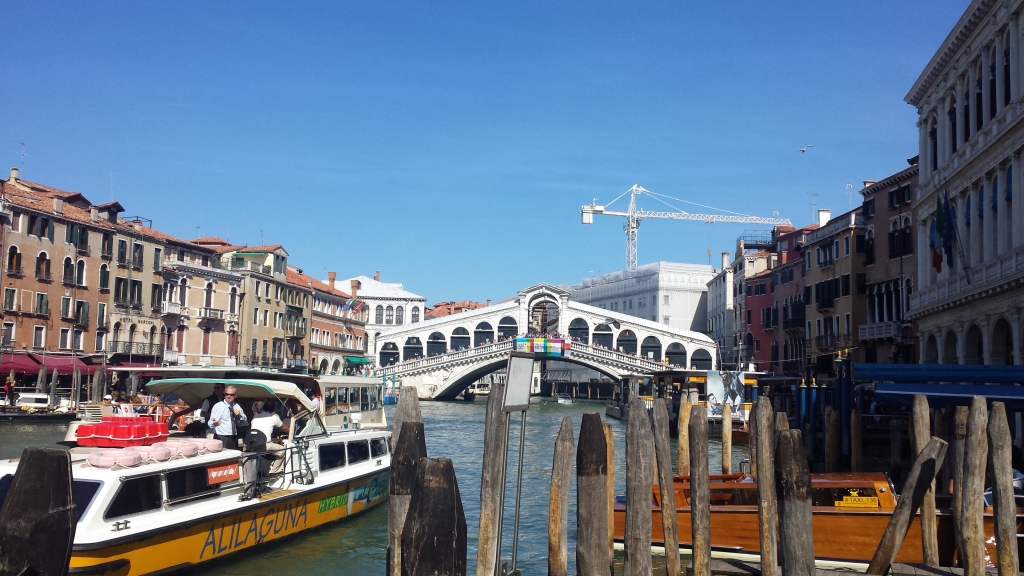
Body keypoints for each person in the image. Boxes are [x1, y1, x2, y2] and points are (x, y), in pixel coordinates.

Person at [250, 399, 287, 474]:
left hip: (253, 444)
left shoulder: (255, 417)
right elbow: (284, 428)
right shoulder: (274, 417)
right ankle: (274, 471)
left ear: (263, 408)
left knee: (272, 445)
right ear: (273, 409)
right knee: (283, 450)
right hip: (265, 445)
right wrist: (292, 432)